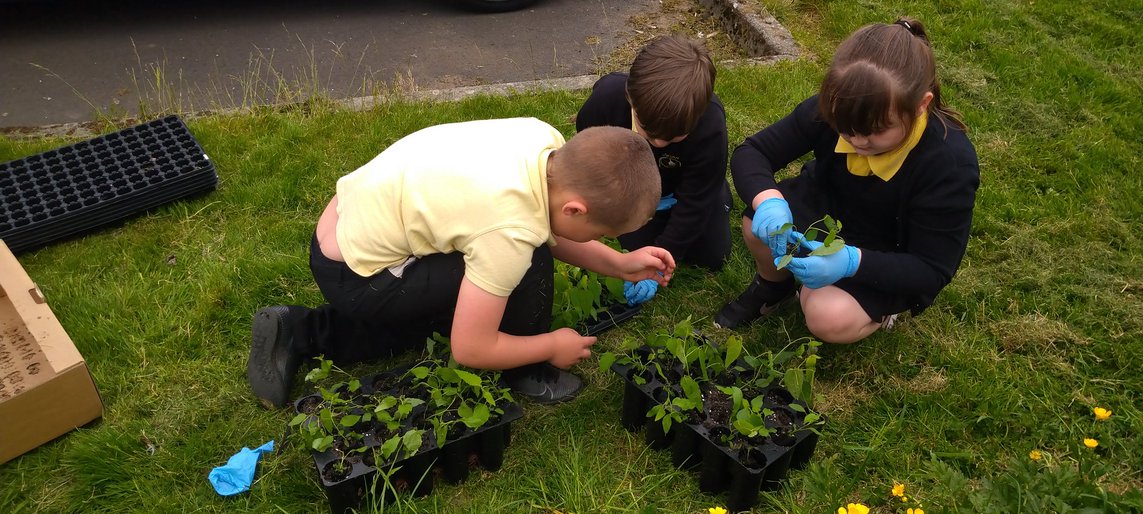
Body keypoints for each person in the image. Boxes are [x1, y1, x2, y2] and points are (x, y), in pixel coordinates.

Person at [247, 119, 675, 408]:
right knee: (520, 268)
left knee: (504, 267)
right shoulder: (508, 233)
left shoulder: (542, 142)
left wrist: (620, 264)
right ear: (577, 211)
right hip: (357, 275)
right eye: (603, 235)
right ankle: (299, 331)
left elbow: (554, 228)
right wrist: (551, 345)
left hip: (346, 217)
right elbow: (469, 348)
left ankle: (302, 328)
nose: (603, 242)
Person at [714, 18, 980, 344]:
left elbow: (932, 269)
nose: (856, 140)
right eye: (844, 126)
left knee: (826, 316)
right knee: (756, 223)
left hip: (890, 246)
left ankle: (881, 310)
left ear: (921, 104)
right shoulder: (841, 109)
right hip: (830, 206)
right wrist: (768, 199)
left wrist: (852, 263)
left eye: (875, 131)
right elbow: (753, 152)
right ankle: (773, 287)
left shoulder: (949, 164)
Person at [575, 35, 732, 306]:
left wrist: (662, 258)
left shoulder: (710, 128)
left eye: (674, 138)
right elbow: (585, 159)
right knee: (626, 247)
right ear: (629, 97)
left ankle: (718, 193)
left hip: (682, 191)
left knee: (713, 254)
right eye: (648, 131)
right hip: (628, 189)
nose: (658, 143)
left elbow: (695, 203)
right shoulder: (606, 101)